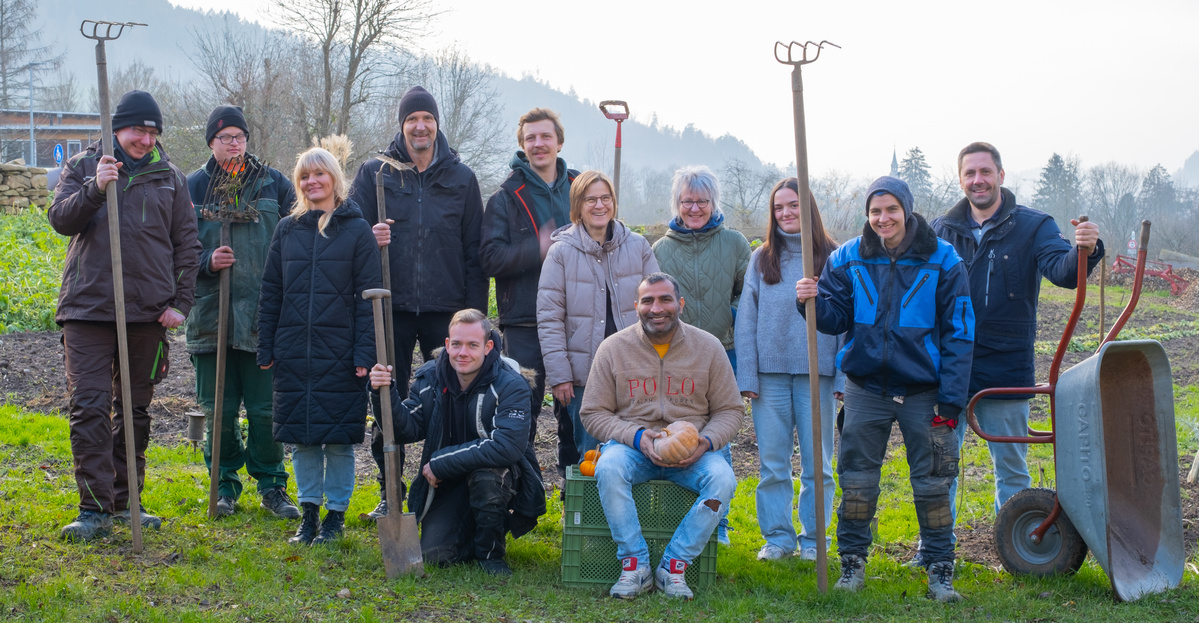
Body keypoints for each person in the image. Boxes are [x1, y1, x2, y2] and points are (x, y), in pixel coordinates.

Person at [796, 176, 974, 602]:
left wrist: (951, 399)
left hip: (925, 393)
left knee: (934, 482)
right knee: (857, 481)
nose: (883, 218)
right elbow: (835, 318)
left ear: (907, 210)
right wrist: (810, 302)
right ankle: (852, 563)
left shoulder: (943, 260)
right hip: (865, 390)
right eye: (875, 211)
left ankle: (939, 569)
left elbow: (960, 332)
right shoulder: (848, 257)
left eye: (891, 209)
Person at [50, 90, 201, 542]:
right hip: (88, 308)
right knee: (89, 406)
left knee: (133, 411)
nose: (146, 139)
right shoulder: (82, 166)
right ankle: (93, 508)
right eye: (139, 130)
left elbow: (187, 245)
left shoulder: (170, 178)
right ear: (117, 128)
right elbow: (60, 220)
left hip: (147, 313)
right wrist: (96, 188)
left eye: (153, 132)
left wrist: (180, 303)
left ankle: (124, 501)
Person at [931, 141, 1103, 520]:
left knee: (1011, 469)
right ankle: (937, 551)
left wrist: (1084, 249)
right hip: (950, 369)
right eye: (970, 173)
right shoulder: (941, 230)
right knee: (939, 468)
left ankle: (1016, 549)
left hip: (1006, 368)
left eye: (986, 172)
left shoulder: (1032, 225)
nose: (978, 180)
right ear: (961, 180)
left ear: (1001, 176)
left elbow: (1062, 270)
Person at [349, 85, 488, 520]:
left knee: (447, 399)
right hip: (387, 307)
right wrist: (370, 236)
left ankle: (441, 486)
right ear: (402, 125)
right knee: (385, 395)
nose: (420, 126)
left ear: (437, 124)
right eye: (412, 119)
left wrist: (474, 319)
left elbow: (473, 253)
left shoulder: (461, 179)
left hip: (444, 313)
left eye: (427, 118)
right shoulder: (377, 172)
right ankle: (389, 489)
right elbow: (347, 234)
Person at [581, 272, 744, 600]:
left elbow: (731, 410)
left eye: (665, 299)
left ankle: (674, 564)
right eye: (648, 301)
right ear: (636, 306)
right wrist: (636, 435)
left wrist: (706, 442)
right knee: (608, 467)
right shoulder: (613, 349)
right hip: (634, 448)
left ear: (680, 304)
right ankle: (635, 565)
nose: (657, 308)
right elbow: (593, 412)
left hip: (692, 452)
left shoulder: (708, 348)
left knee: (722, 480)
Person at [257, 147, 382, 546]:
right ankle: (308, 516)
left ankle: (335, 518)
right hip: (295, 352)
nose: (312, 182)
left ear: (334, 178)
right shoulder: (286, 230)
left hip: (341, 354)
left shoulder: (357, 231)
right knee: (304, 438)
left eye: (319, 174)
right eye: (305, 176)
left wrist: (365, 353)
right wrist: (267, 345)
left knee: (339, 440)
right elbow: (271, 292)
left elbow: (369, 300)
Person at [186, 105, 299, 519]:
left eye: (240, 136)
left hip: (262, 316)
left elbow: (300, 238)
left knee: (266, 409)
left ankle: (272, 484)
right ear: (211, 143)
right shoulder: (193, 187)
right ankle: (224, 484)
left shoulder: (273, 183)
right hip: (210, 315)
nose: (234, 144)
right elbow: (174, 250)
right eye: (225, 137)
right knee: (218, 410)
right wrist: (205, 262)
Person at [371, 309, 546, 576]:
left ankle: (491, 553)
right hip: (448, 483)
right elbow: (405, 429)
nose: (462, 352)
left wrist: (440, 463)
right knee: (436, 556)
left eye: (472, 345)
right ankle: (472, 530)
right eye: (456, 344)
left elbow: (506, 447)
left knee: (486, 478)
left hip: (499, 475)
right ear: (447, 345)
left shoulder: (511, 385)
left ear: (487, 347)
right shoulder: (430, 378)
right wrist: (383, 392)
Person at [735, 178, 844, 562]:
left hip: (820, 373)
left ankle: (815, 541)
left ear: (808, 207)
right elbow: (746, 319)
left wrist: (842, 376)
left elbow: (850, 321)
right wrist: (747, 375)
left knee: (819, 465)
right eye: (779, 207)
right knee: (773, 464)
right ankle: (778, 539)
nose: (786, 213)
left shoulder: (834, 256)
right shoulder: (761, 257)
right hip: (770, 377)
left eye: (794, 205)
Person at [651, 165, 749, 545]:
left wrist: (732, 320)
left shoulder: (736, 244)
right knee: (680, 432)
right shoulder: (660, 249)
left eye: (702, 201)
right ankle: (678, 517)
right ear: (677, 203)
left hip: (724, 352)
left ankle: (718, 527)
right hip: (676, 355)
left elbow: (745, 293)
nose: (695, 208)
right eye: (687, 201)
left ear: (714, 203)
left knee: (717, 437)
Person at [536, 170, 659, 462]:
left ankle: (629, 508)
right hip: (583, 375)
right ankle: (589, 509)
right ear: (578, 205)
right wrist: (560, 375)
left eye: (605, 198)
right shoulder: (561, 253)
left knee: (636, 450)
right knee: (591, 455)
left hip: (635, 370)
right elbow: (549, 317)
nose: (599, 205)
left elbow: (659, 306)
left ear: (614, 203)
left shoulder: (637, 246)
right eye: (590, 199)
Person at [480, 107, 577, 474]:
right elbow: (489, 258)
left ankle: (576, 486)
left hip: (577, 313)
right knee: (524, 405)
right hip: (525, 317)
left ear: (559, 142)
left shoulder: (580, 188)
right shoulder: (506, 196)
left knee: (576, 407)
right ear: (522, 145)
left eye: (545, 137)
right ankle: (522, 487)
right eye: (531, 138)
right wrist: (538, 248)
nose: (539, 144)